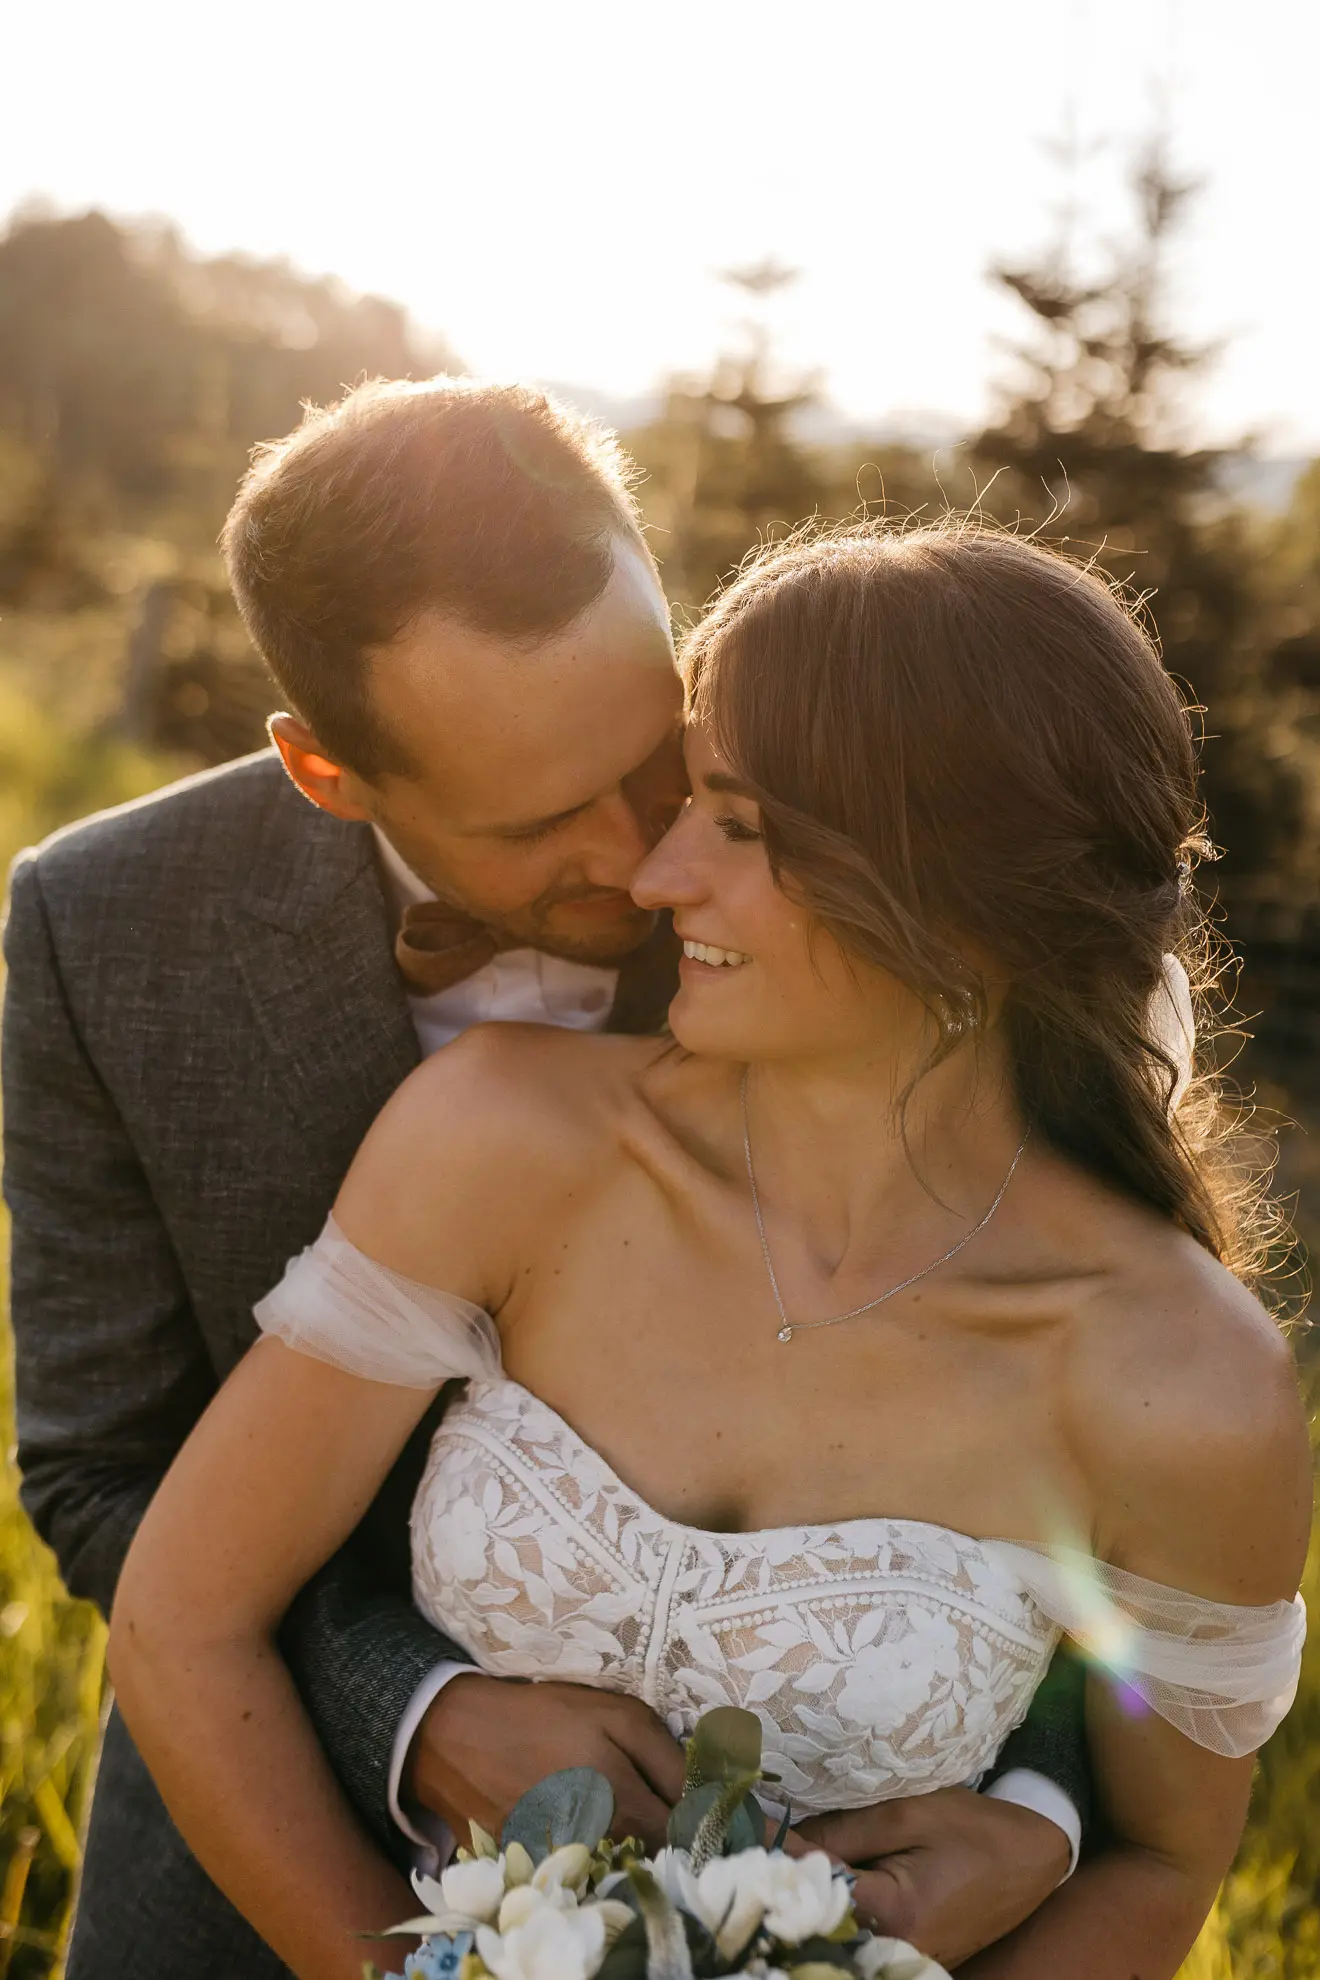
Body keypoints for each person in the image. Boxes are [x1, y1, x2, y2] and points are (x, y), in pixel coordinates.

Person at [108, 521, 1310, 1980]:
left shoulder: (1190, 1386)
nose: (656, 871)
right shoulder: (504, 1139)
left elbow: (1164, 1857)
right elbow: (182, 1618)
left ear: (956, 895)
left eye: (736, 826)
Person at [2, 382, 1081, 1980]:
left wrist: (1049, 1806)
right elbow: (100, 1474)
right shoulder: (100, 932)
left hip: (812, 1904)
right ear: (327, 772)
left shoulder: (843, 868)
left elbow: (1076, 1406)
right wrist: (416, 1712)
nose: (648, 855)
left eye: (652, 758)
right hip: (240, 1870)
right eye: (539, 821)